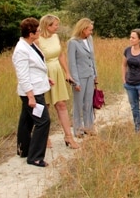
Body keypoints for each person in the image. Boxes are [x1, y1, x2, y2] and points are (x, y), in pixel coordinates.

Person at [11, 17, 52, 167]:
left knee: (26, 121)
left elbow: (36, 67)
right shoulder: (21, 50)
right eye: (38, 30)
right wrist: (31, 96)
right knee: (43, 121)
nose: (40, 32)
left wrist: (46, 79)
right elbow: (23, 75)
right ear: (31, 33)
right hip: (31, 92)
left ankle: (23, 149)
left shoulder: (31, 45)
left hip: (37, 87)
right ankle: (35, 157)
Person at [37, 14, 80, 149]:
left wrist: (67, 72)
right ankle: (44, 136)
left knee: (61, 104)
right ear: (47, 25)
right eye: (55, 25)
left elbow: (60, 54)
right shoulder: (37, 40)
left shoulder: (55, 37)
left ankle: (68, 136)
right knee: (46, 105)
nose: (57, 27)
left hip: (57, 71)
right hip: (44, 73)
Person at [67, 18, 98, 138]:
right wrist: (75, 81)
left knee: (88, 103)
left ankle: (89, 127)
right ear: (83, 29)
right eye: (90, 30)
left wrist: (95, 74)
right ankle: (78, 129)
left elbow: (92, 58)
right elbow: (72, 63)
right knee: (78, 104)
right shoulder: (73, 42)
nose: (91, 32)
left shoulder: (90, 39)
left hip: (90, 75)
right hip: (79, 77)